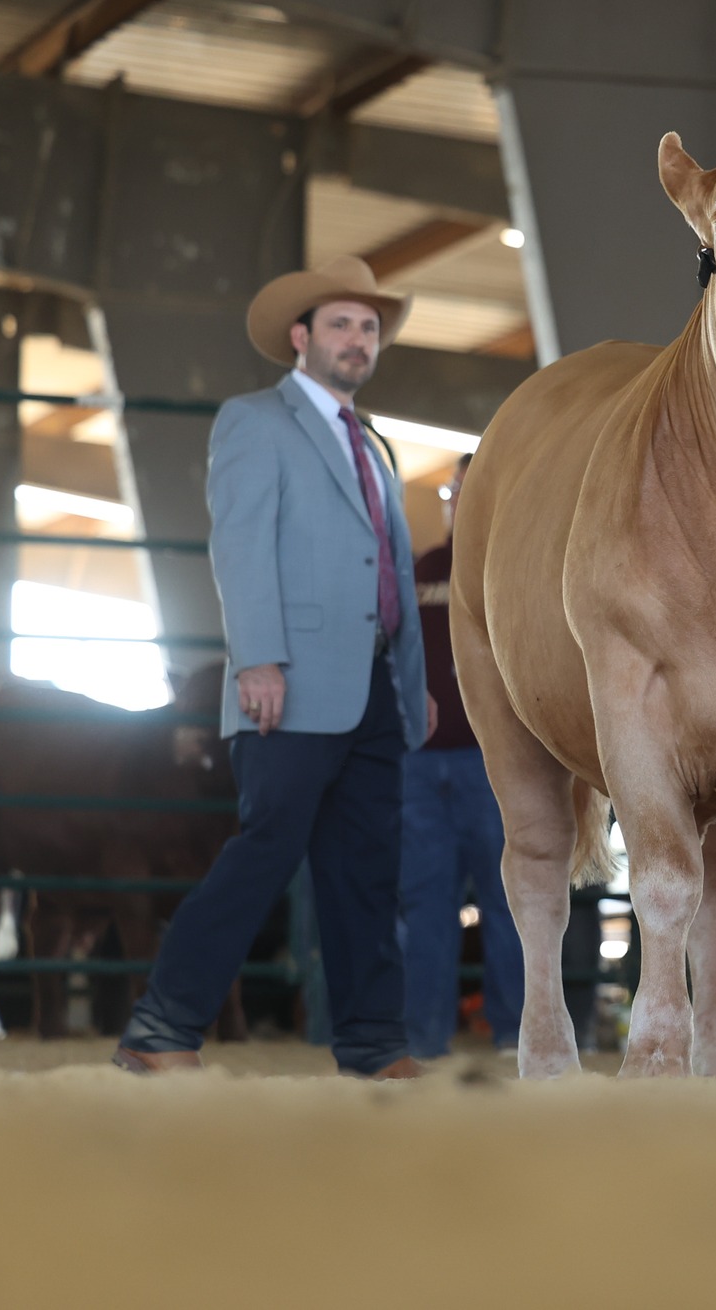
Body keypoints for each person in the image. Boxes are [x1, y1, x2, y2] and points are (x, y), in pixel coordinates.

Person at [115, 255, 436, 1079]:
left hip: (374, 690)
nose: (357, 340)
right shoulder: (254, 421)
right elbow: (242, 546)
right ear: (301, 338)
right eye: (341, 324)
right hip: (287, 681)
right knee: (264, 853)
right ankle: (160, 1029)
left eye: (368, 328)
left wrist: (410, 684)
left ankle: (372, 1045)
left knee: (367, 875)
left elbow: (389, 576)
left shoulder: (376, 444)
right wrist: (256, 658)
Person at [400, 452, 524, 1058]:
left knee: (506, 898)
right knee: (428, 900)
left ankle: (512, 1031)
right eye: (456, 491)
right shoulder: (421, 568)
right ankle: (426, 1034)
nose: (461, 501)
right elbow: (395, 653)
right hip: (423, 762)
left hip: (491, 761)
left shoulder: (511, 571)